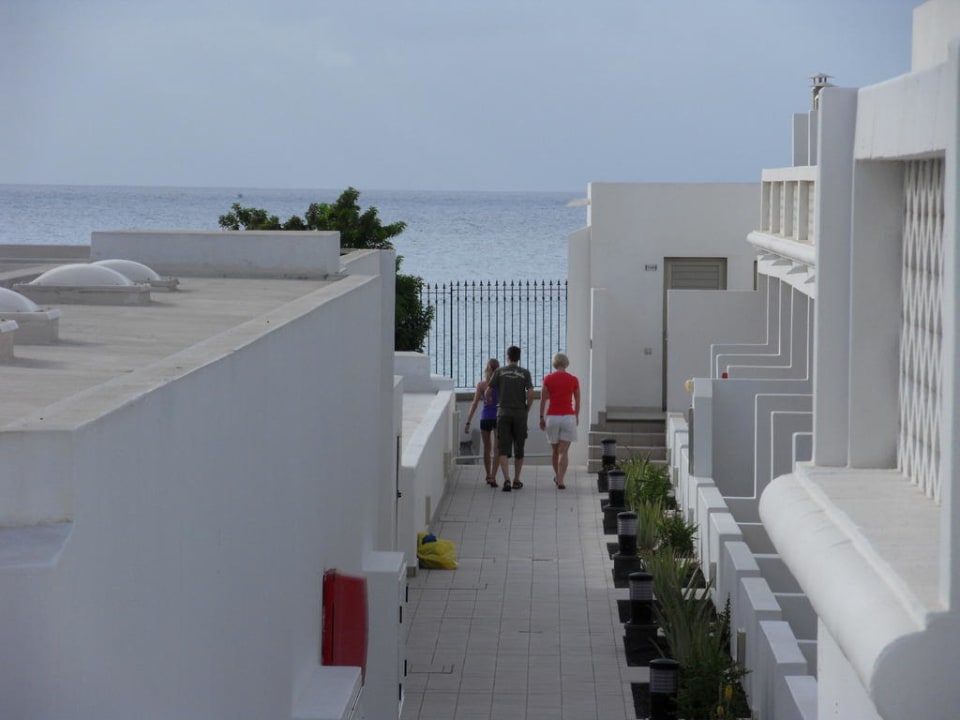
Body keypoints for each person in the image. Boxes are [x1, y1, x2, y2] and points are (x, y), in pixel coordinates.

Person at [485, 345, 534, 492]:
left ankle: (506, 479)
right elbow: (531, 394)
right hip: (520, 414)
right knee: (519, 448)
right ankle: (516, 480)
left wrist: (490, 401)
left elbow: (488, 392)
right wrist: (526, 409)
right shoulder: (525, 373)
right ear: (519, 358)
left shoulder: (499, 372)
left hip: (503, 413)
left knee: (503, 448)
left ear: (507, 357)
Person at [539, 352, 580, 490]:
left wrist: (541, 417)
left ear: (555, 364)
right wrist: (576, 416)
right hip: (568, 417)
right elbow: (578, 400)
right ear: (566, 363)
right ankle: (561, 479)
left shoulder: (548, 379)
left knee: (555, 451)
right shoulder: (573, 380)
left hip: (553, 417)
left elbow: (543, 399)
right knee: (563, 451)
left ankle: (557, 476)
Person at [464, 357, 500, 487]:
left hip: (485, 418)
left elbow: (474, 404)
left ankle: (488, 475)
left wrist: (468, 422)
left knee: (487, 448)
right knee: (497, 449)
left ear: (486, 369)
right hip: (498, 417)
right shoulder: (501, 384)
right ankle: (494, 476)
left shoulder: (481, 385)